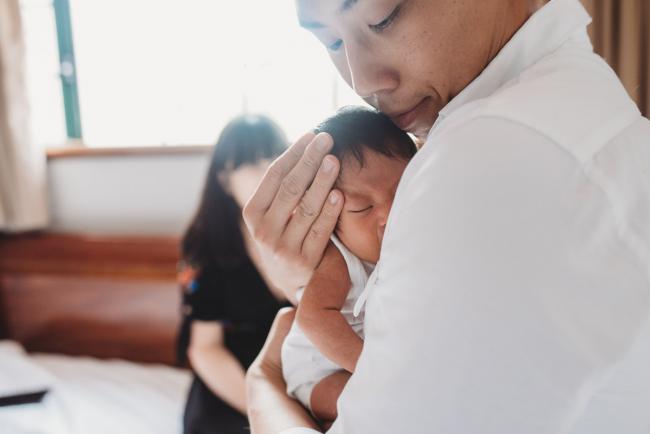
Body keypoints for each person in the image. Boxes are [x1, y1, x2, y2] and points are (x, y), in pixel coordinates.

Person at [243, 0, 650, 433]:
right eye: (332, 40)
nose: (362, 80)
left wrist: (261, 387)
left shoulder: (484, 163)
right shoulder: (587, 102)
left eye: (384, 17)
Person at [280, 106, 417, 424]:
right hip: (319, 368)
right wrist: (373, 369)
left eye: (402, 192)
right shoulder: (338, 259)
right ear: (331, 222)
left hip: (371, 360)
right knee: (372, 404)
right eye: (362, 207)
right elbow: (314, 318)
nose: (388, 214)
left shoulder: (414, 244)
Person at [176, 114, 290, 434]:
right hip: (233, 384)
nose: (269, 170)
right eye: (252, 163)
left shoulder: (316, 231)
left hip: (300, 373)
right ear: (225, 179)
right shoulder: (204, 247)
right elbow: (205, 348)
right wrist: (265, 408)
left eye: (276, 158)